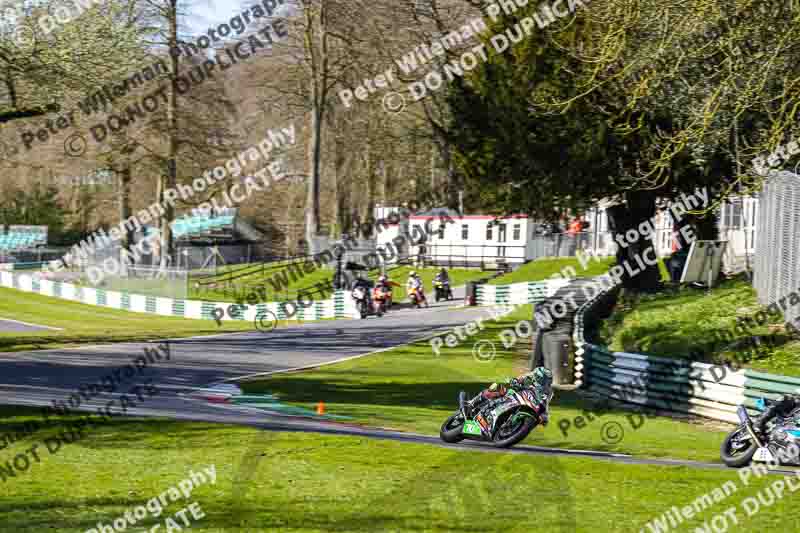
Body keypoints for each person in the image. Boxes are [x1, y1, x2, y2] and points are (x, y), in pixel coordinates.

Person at [464, 367, 553, 425]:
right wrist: (515, 381)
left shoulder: (548, 391)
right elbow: (519, 379)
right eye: (545, 380)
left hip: (526, 404)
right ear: (538, 377)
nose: (546, 383)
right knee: (496, 387)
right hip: (515, 395)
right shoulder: (529, 377)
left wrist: (544, 416)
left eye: (548, 381)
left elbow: (545, 404)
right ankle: (472, 403)